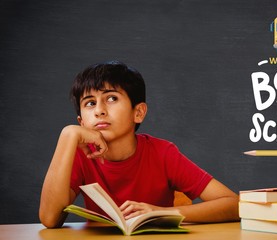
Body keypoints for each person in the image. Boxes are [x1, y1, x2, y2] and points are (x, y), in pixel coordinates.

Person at [39, 60, 239, 228]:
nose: (99, 110)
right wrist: (67, 136)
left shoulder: (162, 153)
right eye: (90, 103)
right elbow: (49, 219)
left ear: (139, 112)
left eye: (111, 98)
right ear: (81, 122)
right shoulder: (80, 155)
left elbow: (235, 204)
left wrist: (161, 213)